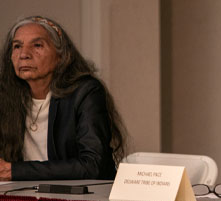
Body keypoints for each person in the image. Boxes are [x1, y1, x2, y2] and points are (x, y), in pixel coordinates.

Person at [0, 16, 127, 181]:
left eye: (37, 45)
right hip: (18, 194)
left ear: (61, 55)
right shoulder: (5, 96)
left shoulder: (86, 92)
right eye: (17, 46)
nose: (24, 54)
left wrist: (15, 171)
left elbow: (93, 165)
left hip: (77, 195)